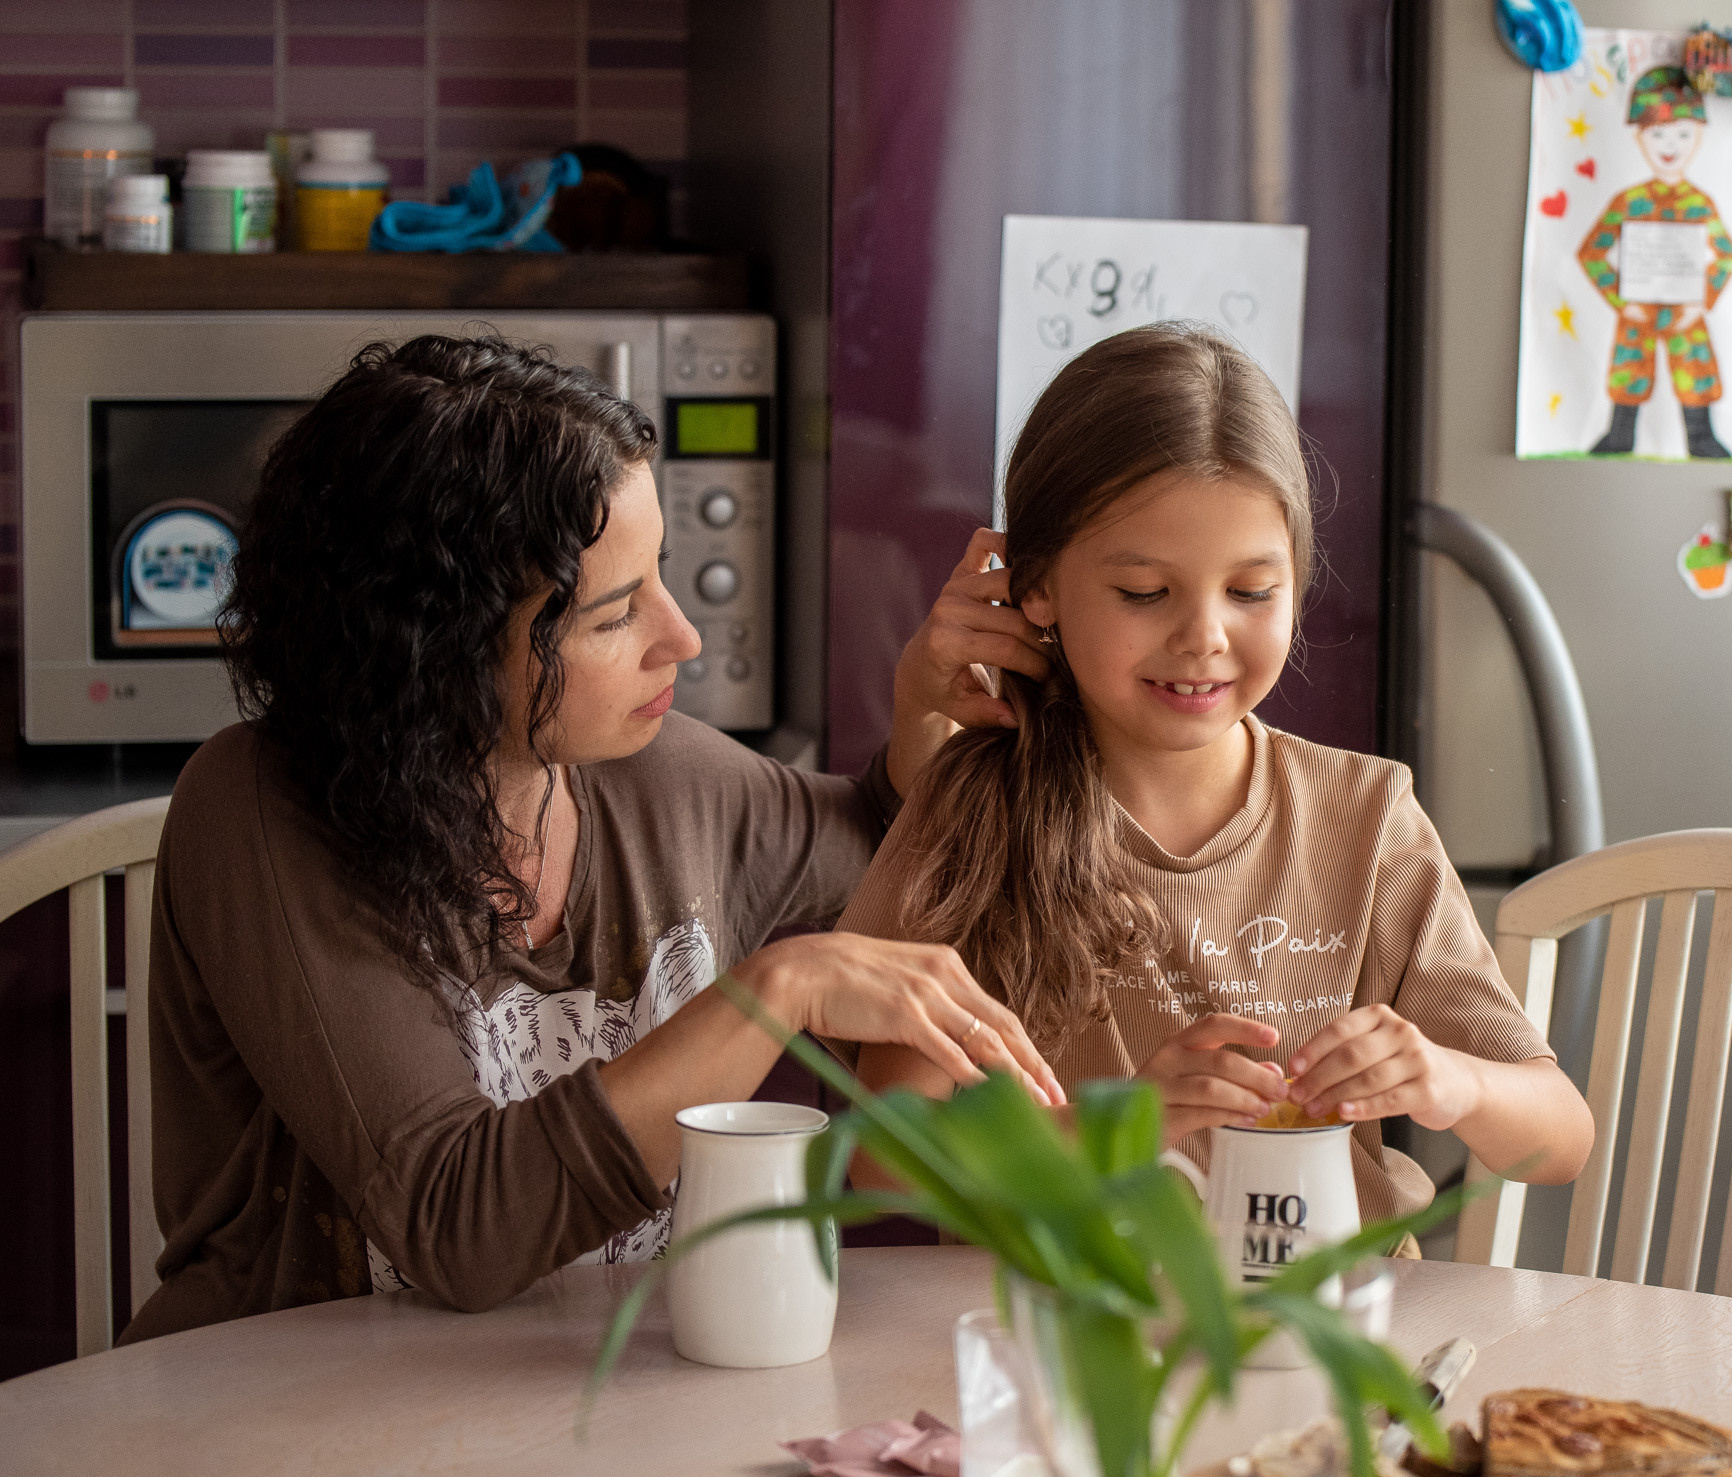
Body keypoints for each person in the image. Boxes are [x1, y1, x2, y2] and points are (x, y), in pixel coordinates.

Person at [127, 334, 1060, 1341]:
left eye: (660, 575)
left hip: (572, 1411)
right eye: (614, 615)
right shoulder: (262, 810)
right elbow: (455, 1224)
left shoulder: (661, 775)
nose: (682, 636)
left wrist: (925, 713)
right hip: (271, 1424)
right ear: (434, 650)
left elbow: (878, 854)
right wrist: (778, 989)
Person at [836, 323, 1592, 1227]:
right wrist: (1119, 1126)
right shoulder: (977, 808)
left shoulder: (1365, 818)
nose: (1204, 636)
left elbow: (1561, 1141)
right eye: (1145, 593)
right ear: (1036, 587)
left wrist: (1452, 1081)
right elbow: (886, 1160)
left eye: (1250, 592)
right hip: (1082, 1336)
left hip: (1325, 1336)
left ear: (1299, 585)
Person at [1577, 64, 1732, 459]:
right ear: (1640, 138)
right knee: (1629, 368)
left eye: (1683, 134)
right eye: (1658, 133)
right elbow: (1592, 251)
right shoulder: (1629, 201)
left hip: (1686, 309)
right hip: (1637, 309)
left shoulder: (1700, 203)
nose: (1671, 144)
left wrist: (1700, 302)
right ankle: (1619, 435)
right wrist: (1622, 301)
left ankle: (1702, 437)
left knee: (1694, 366)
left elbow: (1728, 255)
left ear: (1698, 137)